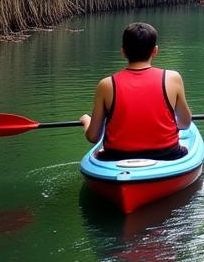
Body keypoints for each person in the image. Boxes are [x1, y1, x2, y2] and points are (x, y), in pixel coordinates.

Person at [79, 21, 193, 161]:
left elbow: (93, 137)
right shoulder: (173, 78)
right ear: (155, 51)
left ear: (123, 51)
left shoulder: (106, 84)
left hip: (116, 157)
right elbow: (185, 123)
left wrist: (86, 121)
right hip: (167, 155)